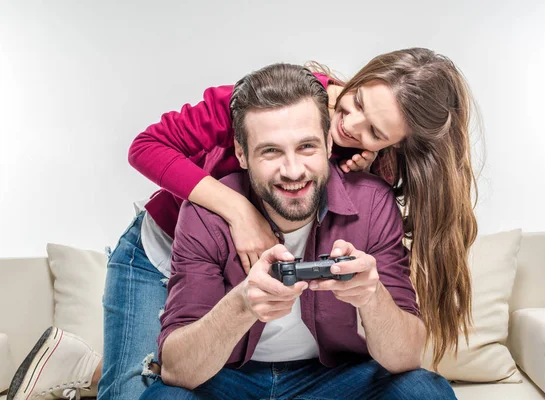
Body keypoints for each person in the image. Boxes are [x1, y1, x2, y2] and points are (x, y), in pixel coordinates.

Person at [7, 48, 477, 400]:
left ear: (394, 145)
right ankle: (94, 368)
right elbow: (145, 147)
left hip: (242, 270)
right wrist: (238, 210)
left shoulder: (367, 169)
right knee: (139, 389)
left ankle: (99, 367)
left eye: (374, 132)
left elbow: (400, 341)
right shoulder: (260, 103)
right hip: (164, 246)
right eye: (352, 103)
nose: (350, 125)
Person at [141, 62, 456, 399]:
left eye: (307, 147)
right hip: (229, 378)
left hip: (333, 379)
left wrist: (372, 296)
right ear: (241, 153)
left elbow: (406, 358)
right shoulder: (205, 211)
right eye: (271, 151)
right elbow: (177, 370)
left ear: (330, 146)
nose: (293, 171)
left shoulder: (374, 200)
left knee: (423, 391)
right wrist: (243, 304)